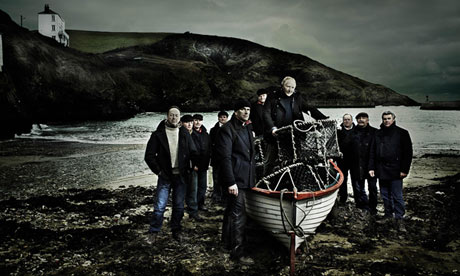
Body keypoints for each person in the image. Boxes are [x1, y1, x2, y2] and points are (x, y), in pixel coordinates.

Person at [144, 106, 197, 242]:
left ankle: (176, 230)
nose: (174, 118)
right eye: (171, 115)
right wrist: (159, 171)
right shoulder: (158, 134)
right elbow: (149, 156)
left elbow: (193, 152)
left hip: (181, 175)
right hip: (165, 175)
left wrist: (191, 168)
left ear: (180, 118)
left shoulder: (184, 133)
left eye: (177, 115)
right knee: (160, 206)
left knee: (179, 205)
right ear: (167, 116)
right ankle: (154, 231)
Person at [215, 99, 256, 265]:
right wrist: (231, 182)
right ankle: (238, 254)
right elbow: (224, 158)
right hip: (235, 180)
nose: (246, 112)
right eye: (243, 109)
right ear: (236, 111)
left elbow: (250, 154)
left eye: (248, 109)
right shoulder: (227, 129)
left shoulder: (247, 126)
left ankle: (226, 242)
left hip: (245, 178)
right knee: (239, 216)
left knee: (231, 211)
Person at [263, 76, 328, 175]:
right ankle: (265, 182)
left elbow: (309, 108)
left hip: (293, 134)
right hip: (276, 134)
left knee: (295, 160)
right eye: (288, 86)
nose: (290, 89)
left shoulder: (297, 97)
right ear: (282, 85)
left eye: (293, 87)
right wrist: (273, 128)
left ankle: (292, 182)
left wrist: (323, 118)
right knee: (270, 161)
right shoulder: (273, 97)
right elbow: (266, 114)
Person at [369, 111, 413, 231]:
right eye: (384, 119)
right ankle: (388, 215)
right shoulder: (377, 133)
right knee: (384, 195)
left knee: (397, 196)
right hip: (381, 169)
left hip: (396, 170)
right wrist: (371, 167)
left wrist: (404, 170)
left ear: (393, 119)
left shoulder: (402, 133)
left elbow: (408, 153)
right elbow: (372, 151)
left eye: (389, 118)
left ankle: (399, 219)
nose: (386, 121)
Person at [349, 112, 378, 215]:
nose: (361, 120)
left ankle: (373, 208)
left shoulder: (375, 132)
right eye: (359, 118)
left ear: (368, 120)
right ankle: (361, 206)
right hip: (356, 165)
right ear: (356, 120)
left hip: (371, 165)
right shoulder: (352, 132)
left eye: (363, 118)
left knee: (372, 188)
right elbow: (346, 148)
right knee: (357, 188)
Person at [181, 114, 203, 222]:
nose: (190, 124)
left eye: (191, 122)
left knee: (193, 189)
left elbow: (197, 151)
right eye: (187, 122)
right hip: (182, 167)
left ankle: (193, 211)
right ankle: (185, 210)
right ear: (182, 123)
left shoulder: (194, 134)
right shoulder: (180, 134)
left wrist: (196, 164)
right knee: (183, 189)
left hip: (192, 167)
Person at [191, 114, 211, 211]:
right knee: (193, 188)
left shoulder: (206, 134)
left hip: (204, 164)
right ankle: (193, 206)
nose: (198, 122)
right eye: (195, 120)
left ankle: (201, 204)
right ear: (192, 121)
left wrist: (209, 162)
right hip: (193, 165)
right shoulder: (189, 133)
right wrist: (193, 164)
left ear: (202, 121)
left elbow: (209, 149)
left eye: (200, 120)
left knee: (203, 186)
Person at [209, 110, 229, 202]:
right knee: (216, 178)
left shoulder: (231, 129)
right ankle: (216, 195)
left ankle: (225, 196)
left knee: (226, 177)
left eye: (224, 117)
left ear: (227, 118)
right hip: (216, 157)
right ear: (218, 118)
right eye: (221, 117)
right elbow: (210, 144)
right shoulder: (213, 130)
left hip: (227, 158)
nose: (222, 118)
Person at [336, 113, 355, 204]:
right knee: (343, 180)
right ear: (343, 121)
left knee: (355, 180)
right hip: (342, 160)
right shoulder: (338, 131)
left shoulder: (356, 130)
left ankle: (358, 199)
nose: (346, 121)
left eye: (348, 119)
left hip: (354, 160)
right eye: (345, 119)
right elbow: (332, 145)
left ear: (352, 120)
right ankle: (343, 199)